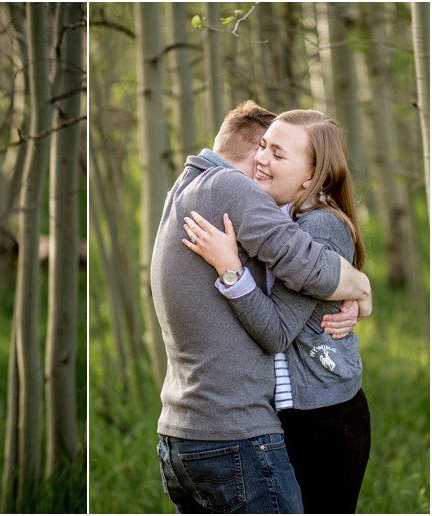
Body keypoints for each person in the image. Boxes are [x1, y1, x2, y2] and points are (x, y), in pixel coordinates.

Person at [150, 100, 372, 513]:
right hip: (267, 420)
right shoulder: (251, 206)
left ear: (312, 173)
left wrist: (232, 269)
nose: (263, 160)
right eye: (263, 148)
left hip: (324, 417)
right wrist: (358, 284)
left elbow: (277, 329)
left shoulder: (318, 223)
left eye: (277, 152)